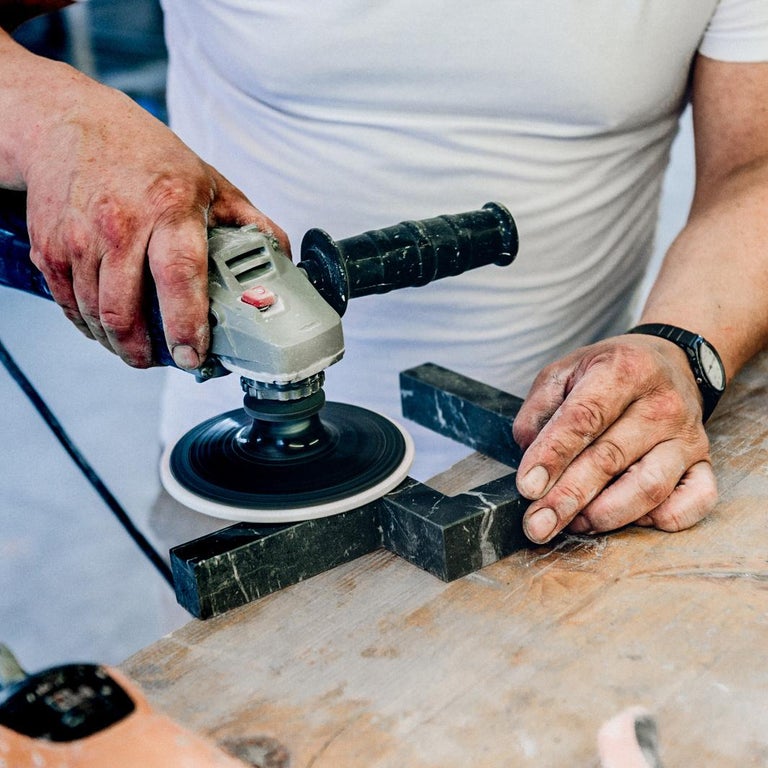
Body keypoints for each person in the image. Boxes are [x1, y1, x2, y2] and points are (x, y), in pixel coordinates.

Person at [1, 1, 767, 547]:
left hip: (567, 460)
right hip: (240, 486)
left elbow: (754, 168)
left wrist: (682, 346)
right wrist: (58, 117)